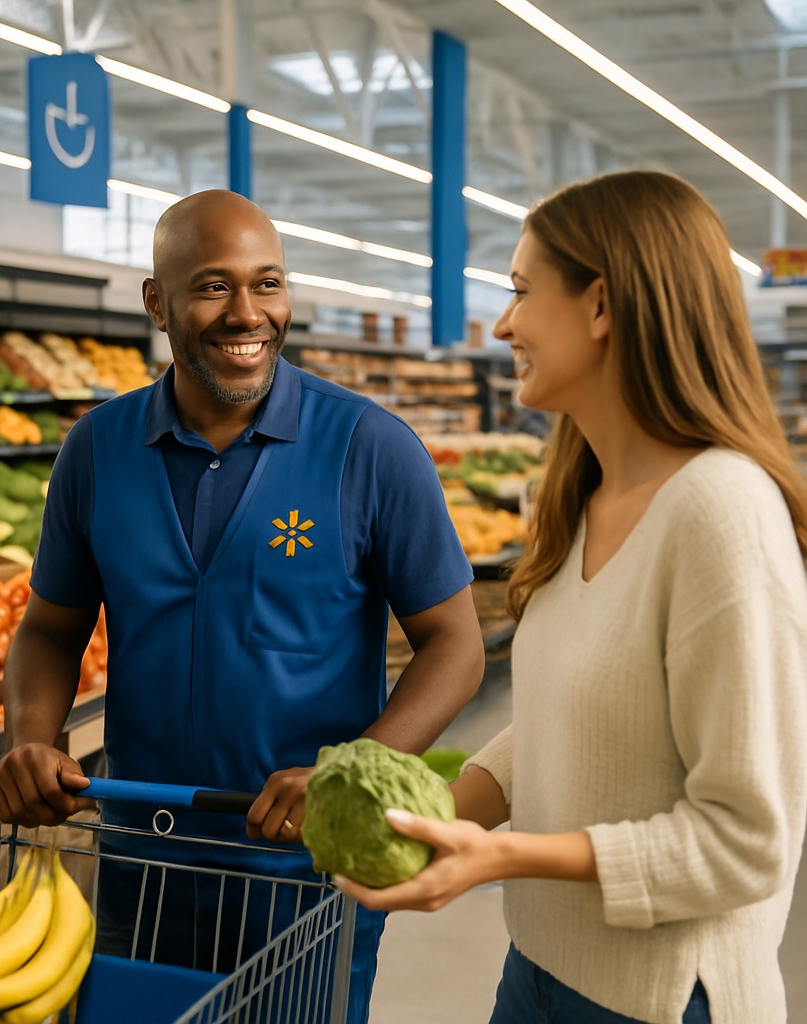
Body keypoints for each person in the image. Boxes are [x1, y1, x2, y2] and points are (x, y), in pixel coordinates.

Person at [0, 188, 485, 1022]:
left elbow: (455, 646)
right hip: (142, 859)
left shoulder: (370, 449)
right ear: (158, 302)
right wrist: (31, 740)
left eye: (269, 283)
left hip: (304, 876)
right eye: (214, 286)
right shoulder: (97, 451)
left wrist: (346, 772)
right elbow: (49, 625)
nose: (247, 313)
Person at [338, 170, 807, 1024]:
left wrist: (501, 854)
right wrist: (423, 819)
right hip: (540, 972)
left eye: (520, 291)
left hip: (663, 998)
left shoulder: (721, 513)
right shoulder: (582, 497)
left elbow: (747, 842)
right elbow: (568, 715)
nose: (504, 324)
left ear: (601, 306)